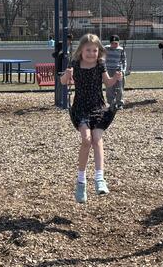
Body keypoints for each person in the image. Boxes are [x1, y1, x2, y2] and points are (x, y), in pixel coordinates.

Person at [60, 33, 123, 203]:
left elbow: (108, 83)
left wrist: (116, 79)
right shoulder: (75, 65)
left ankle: (99, 178)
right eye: (88, 50)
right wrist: (67, 74)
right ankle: (81, 182)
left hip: (98, 108)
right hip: (80, 108)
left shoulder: (100, 65)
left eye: (95, 50)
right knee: (86, 140)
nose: (91, 53)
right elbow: (63, 82)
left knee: (97, 139)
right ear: (81, 51)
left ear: (99, 52)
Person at [104, 35, 127, 109]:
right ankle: (111, 103)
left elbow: (124, 61)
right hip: (108, 70)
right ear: (110, 43)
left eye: (116, 43)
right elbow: (102, 58)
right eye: (112, 43)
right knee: (109, 87)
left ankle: (119, 103)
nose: (114, 45)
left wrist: (123, 70)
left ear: (119, 43)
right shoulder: (106, 48)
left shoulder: (121, 49)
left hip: (118, 70)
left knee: (119, 87)